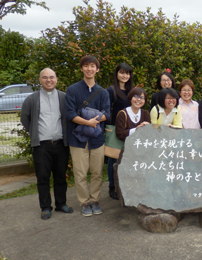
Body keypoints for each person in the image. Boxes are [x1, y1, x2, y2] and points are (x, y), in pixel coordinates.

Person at [20, 68, 72, 220]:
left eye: (51, 77)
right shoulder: (32, 99)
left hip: (61, 143)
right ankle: (45, 207)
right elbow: (25, 119)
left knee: (60, 176)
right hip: (42, 145)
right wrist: (36, 133)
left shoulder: (64, 97)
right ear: (40, 80)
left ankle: (61, 203)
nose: (49, 80)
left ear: (56, 79)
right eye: (45, 77)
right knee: (43, 177)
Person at [65, 55, 110, 217]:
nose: (89, 69)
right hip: (77, 139)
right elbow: (69, 114)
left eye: (92, 66)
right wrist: (87, 122)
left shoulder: (103, 92)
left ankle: (95, 200)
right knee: (80, 173)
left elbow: (107, 114)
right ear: (81, 68)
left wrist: (95, 120)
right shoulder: (72, 90)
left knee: (97, 172)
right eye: (86, 66)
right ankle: (84, 202)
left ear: (97, 69)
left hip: (97, 139)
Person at [106, 63, 133, 200]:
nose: (124, 76)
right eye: (122, 72)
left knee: (127, 159)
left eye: (127, 73)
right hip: (115, 129)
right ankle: (113, 186)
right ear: (117, 74)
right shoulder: (111, 91)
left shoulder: (131, 91)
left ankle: (124, 185)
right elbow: (106, 110)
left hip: (130, 130)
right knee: (113, 158)